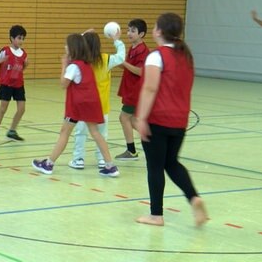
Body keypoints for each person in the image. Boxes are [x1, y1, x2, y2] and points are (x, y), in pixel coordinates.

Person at [134, 12, 207, 227]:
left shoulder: (157, 56)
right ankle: (194, 197)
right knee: (171, 163)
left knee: (155, 166)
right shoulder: (186, 56)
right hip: (179, 120)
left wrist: (141, 118)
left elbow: (150, 87)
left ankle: (156, 215)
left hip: (158, 118)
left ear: (158, 31)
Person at [31, 33, 119, 177]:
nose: (64, 47)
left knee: (65, 132)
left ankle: (48, 164)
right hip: (91, 102)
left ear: (73, 48)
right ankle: (110, 165)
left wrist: (64, 65)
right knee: (96, 133)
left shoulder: (74, 66)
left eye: (66, 45)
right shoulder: (87, 64)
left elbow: (63, 84)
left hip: (79, 105)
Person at [69, 29, 125, 170]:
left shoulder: (81, 61)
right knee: (101, 134)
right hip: (102, 105)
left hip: (84, 104)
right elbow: (121, 57)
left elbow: (74, 45)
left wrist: (82, 34)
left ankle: (78, 159)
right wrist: (116, 40)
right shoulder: (106, 59)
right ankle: (101, 159)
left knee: (80, 132)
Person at [115, 19, 150, 161]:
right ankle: (155, 140)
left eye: (133, 31)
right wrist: (116, 62)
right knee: (134, 120)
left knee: (124, 117)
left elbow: (141, 71)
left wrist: (123, 63)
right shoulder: (133, 48)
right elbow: (128, 66)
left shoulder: (143, 51)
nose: (129, 33)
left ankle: (131, 151)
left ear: (141, 34)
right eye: (128, 30)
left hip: (136, 91)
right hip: (130, 88)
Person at [0, 25, 28, 144]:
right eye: (19, 38)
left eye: (23, 38)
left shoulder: (24, 54)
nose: (21, 41)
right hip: (6, 84)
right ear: (11, 38)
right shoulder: (5, 50)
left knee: (21, 109)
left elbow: (23, 67)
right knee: (3, 109)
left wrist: (25, 65)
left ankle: (12, 131)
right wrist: (1, 61)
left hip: (18, 84)